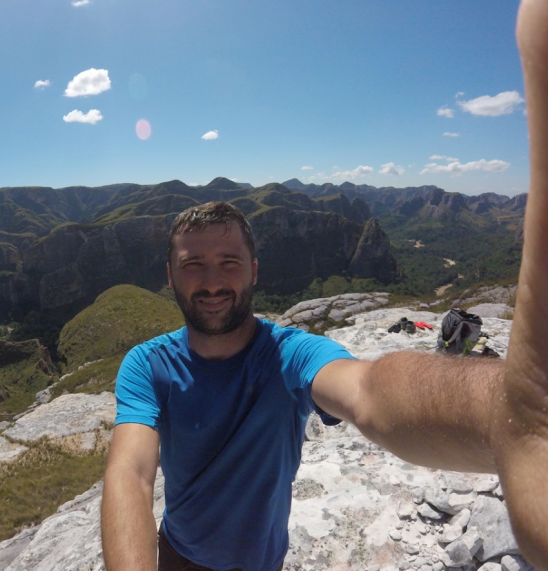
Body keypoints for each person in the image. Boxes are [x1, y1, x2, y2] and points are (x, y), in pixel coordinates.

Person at [100, 0, 548, 569]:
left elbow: (370, 392)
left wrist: (511, 414)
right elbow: (130, 473)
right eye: (193, 265)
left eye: (229, 263)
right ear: (169, 275)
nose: (212, 282)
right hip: (177, 556)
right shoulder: (148, 366)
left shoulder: (289, 355)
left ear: (256, 271)